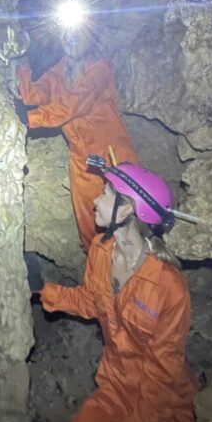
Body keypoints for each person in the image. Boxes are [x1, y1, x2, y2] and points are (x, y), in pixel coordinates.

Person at [27, 154, 197, 422]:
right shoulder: (102, 252)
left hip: (164, 406)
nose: (95, 201)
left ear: (130, 211)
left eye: (106, 194)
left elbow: (162, 376)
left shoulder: (168, 287)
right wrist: (42, 290)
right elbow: (89, 301)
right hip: (117, 385)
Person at [17, 23, 139, 252]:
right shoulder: (58, 72)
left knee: (124, 224)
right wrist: (21, 60)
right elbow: (32, 94)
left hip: (113, 156)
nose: (69, 37)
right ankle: (97, 278)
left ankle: (131, 280)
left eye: (76, 31)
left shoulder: (100, 69)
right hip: (82, 161)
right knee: (89, 226)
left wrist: (27, 119)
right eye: (65, 32)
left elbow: (72, 104)